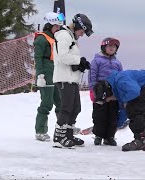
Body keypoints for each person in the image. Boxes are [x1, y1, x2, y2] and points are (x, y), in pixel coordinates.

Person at [93, 70, 145, 151]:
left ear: (108, 92)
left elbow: (135, 92)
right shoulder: (117, 88)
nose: (108, 101)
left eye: (107, 99)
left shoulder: (120, 80)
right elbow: (124, 111)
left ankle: (140, 141)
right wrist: (117, 126)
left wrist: (126, 102)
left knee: (134, 109)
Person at [52, 13, 94, 148]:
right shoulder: (64, 36)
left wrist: (80, 65)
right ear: (77, 26)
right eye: (82, 32)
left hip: (71, 78)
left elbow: (70, 59)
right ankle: (59, 137)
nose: (82, 35)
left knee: (76, 108)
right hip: (64, 79)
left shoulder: (71, 37)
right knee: (66, 108)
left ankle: (68, 135)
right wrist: (78, 61)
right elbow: (62, 57)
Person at [34, 12, 65, 141]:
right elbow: (38, 58)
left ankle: (63, 127)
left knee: (61, 103)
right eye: (56, 26)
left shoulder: (56, 38)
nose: (58, 29)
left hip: (56, 74)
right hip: (46, 75)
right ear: (50, 25)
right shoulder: (41, 39)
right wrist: (40, 75)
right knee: (47, 103)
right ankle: (40, 130)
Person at [88, 37, 123, 146]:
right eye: (109, 46)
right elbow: (92, 75)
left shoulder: (117, 63)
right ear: (104, 47)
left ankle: (109, 136)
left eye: (114, 47)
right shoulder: (97, 61)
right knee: (100, 114)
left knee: (112, 115)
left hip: (113, 92)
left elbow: (121, 76)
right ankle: (98, 135)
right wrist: (93, 90)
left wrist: (121, 90)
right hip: (100, 90)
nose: (112, 48)